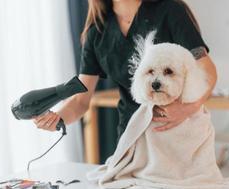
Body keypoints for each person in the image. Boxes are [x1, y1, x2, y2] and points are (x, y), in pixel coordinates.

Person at [34, 0, 217, 138]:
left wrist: (187, 109)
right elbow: (81, 101)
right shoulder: (96, 31)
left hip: (179, 131)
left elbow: (208, 72)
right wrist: (56, 119)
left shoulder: (170, 11)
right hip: (132, 136)